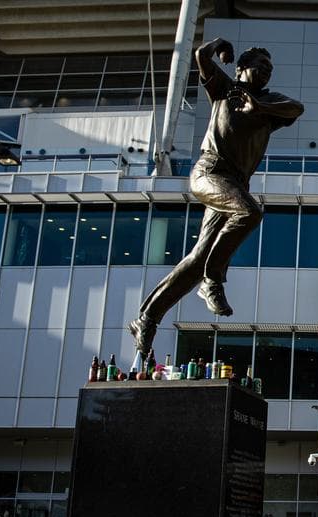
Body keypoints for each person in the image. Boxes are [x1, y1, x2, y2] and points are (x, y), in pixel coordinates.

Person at [128, 40, 304, 355]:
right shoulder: (226, 90)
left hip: (235, 184)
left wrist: (260, 107)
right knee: (249, 213)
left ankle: (147, 317)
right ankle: (212, 280)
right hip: (210, 172)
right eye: (259, 66)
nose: (265, 72)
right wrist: (220, 45)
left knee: (197, 259)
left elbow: (296, 108)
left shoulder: (270, 104)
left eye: (269, 69)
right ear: (241, 68)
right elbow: (201, 56)